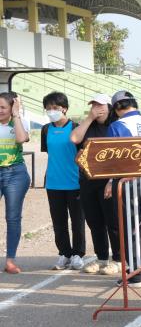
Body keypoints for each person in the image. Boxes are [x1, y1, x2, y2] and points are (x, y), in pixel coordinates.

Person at [106, 90, 141, 288]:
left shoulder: (117, 126)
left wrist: (110, 181)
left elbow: (113, 158)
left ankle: (136, 274)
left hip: (128, 181)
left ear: (117, 108)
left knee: (130, 226)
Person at [70, 94, 120, 275]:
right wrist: (89, 118)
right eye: (94, 105)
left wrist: (112, 180)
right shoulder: (87, 125)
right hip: (88, 180)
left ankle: (119, 259)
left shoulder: (115, 126)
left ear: (109, 107)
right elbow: (74, 139)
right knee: (94, 221)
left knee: (113, 222)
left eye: (101, 105)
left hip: (109, 181)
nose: (97, 109)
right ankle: (101, 258)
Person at [40, 92, 86, 271]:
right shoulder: (46, 130)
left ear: (64, 108)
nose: (51, 111)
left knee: (77, 221)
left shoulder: (75, 128)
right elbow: (49, 152)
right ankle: (64, 253)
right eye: (48, 108)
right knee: (58, 222)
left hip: (75, 183)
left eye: (55, 108)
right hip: (53, 183)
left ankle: (77, 254)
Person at [0, 92, 30, 274]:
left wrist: (17, 115)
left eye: (3, 107)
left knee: (12, 218)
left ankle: (10, 260)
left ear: (12, 107)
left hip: (15, 174)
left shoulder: (20, 122)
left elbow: (20, 139)